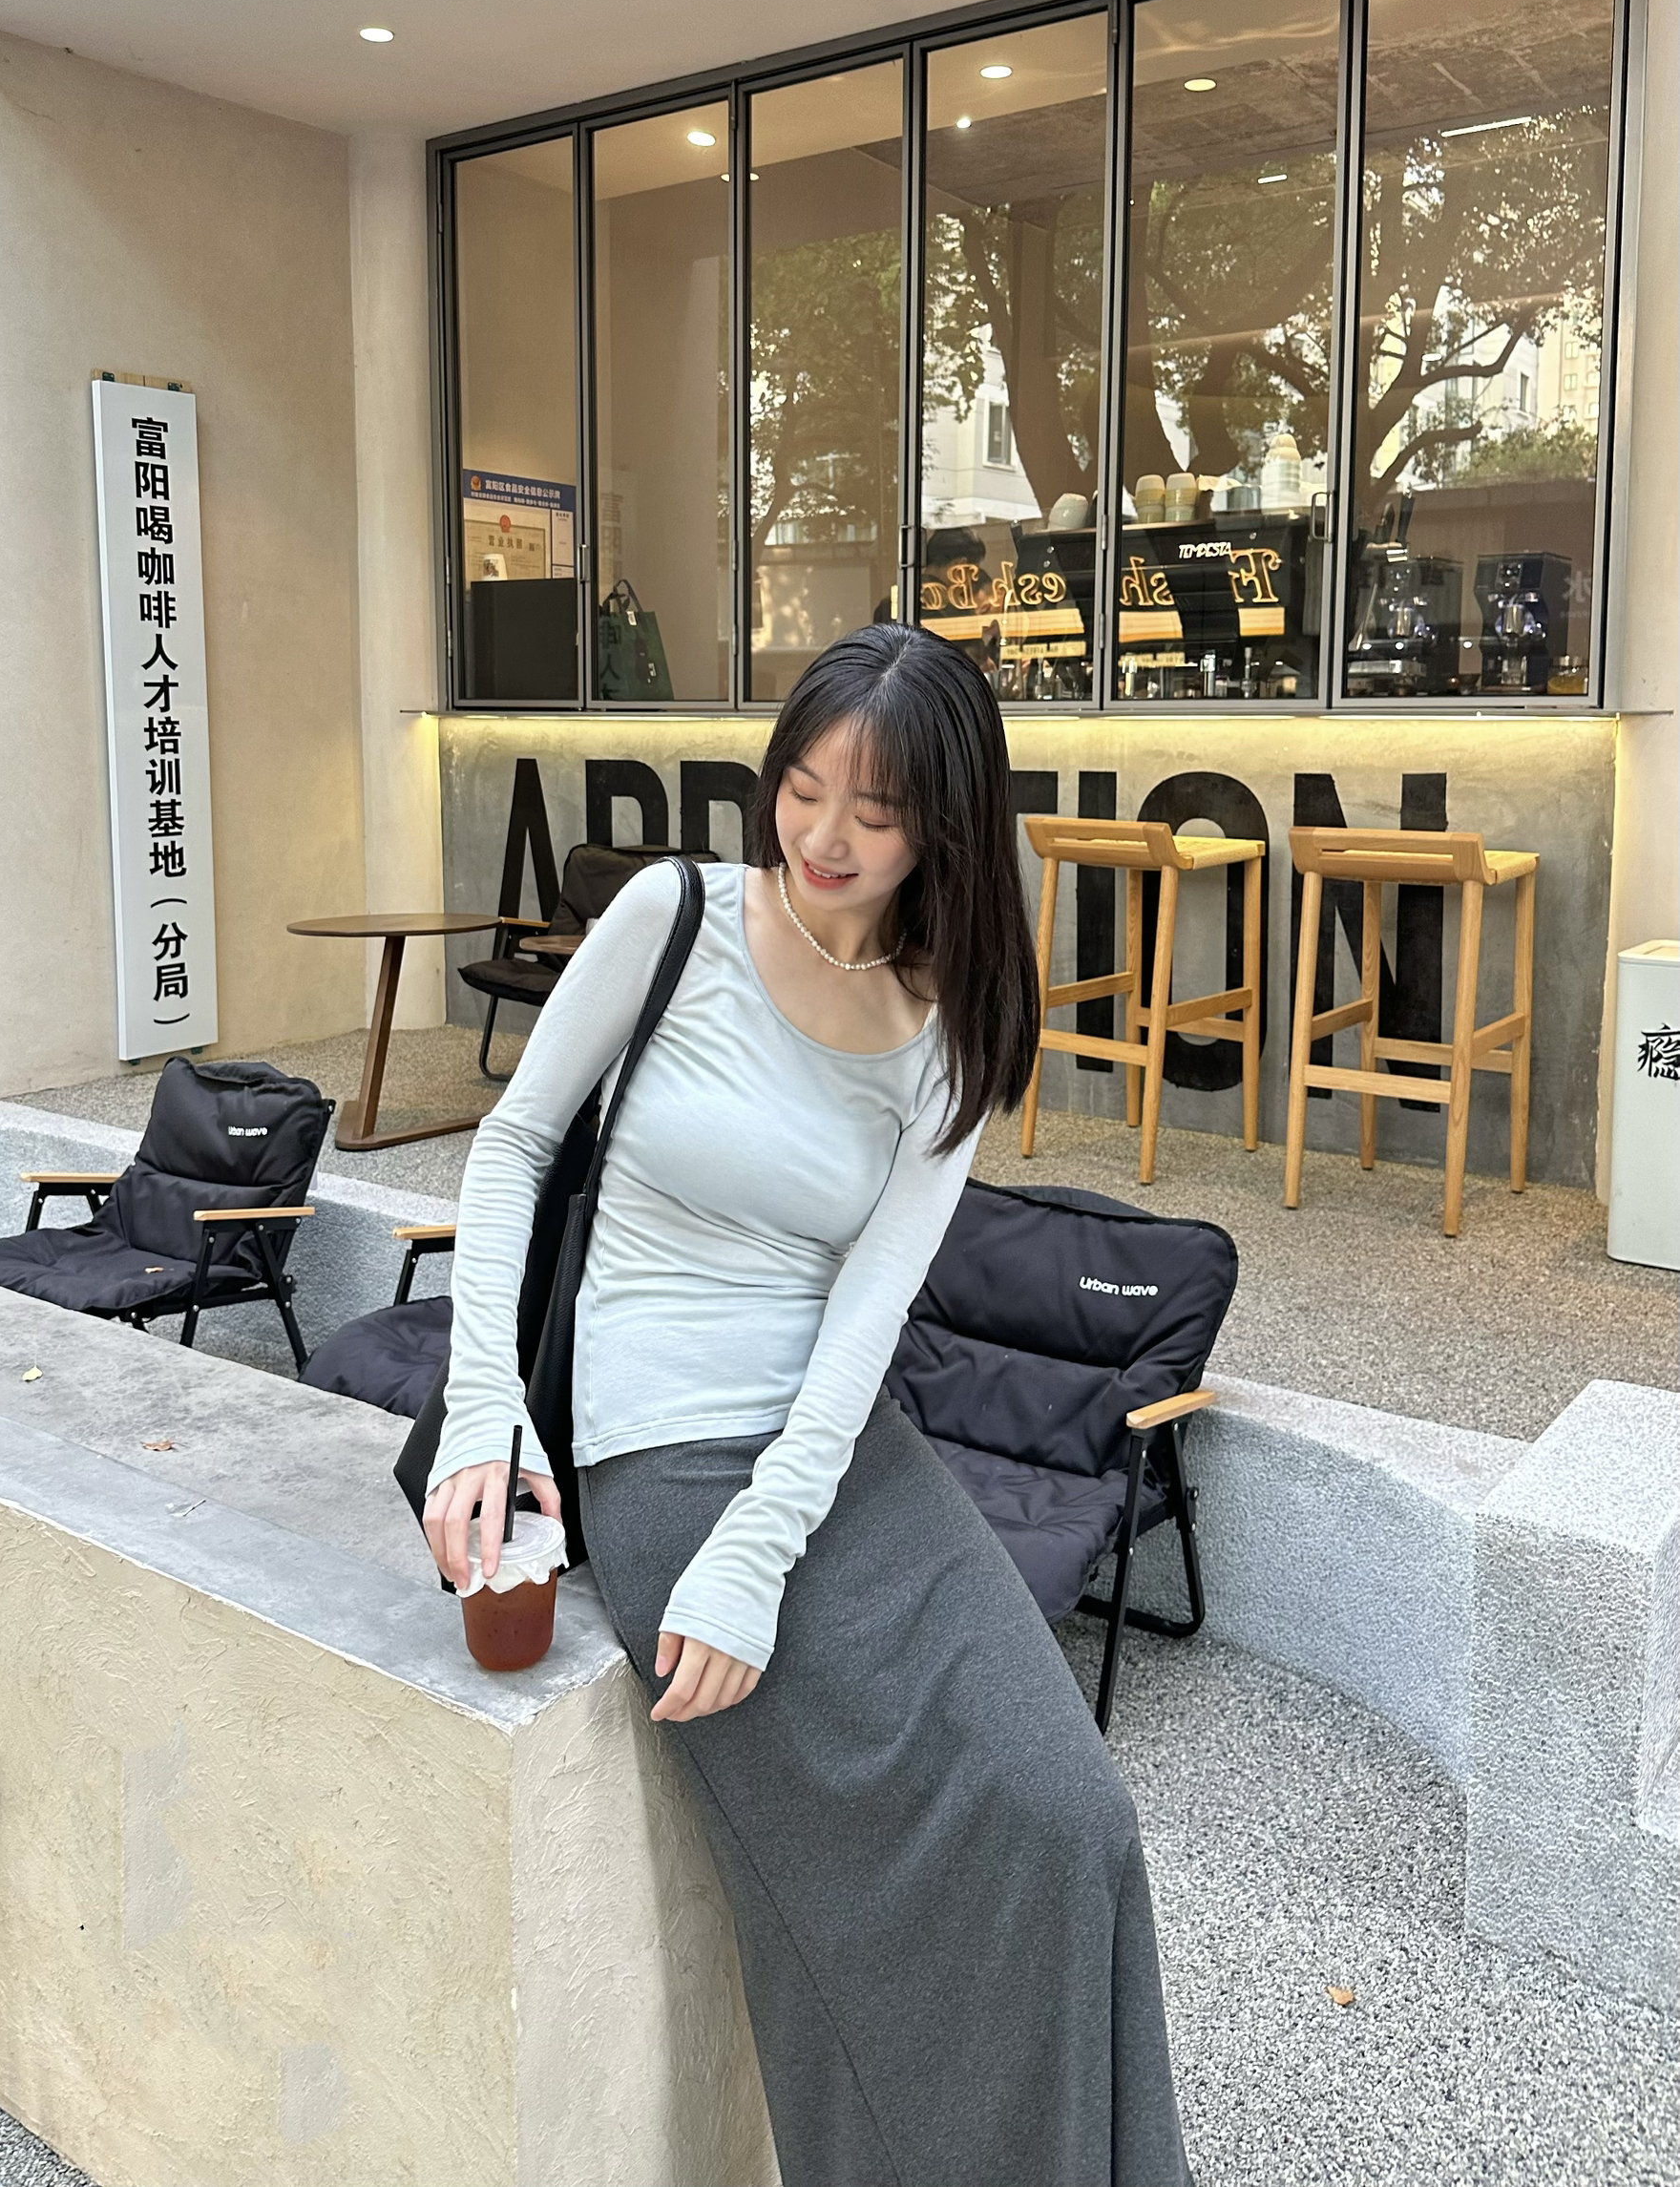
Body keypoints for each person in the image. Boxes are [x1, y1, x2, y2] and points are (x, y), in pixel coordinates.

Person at [422, 622, 1191, 2187]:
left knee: (1073, 1815)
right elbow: (513, 1144)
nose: (825, 836)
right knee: (847, 1897)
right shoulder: (675, 915)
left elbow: (866, 1309)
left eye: (877, 810)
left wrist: (767, 1545)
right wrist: (482, 1406)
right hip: (656, 1452)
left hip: (835, 1459)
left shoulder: (951, 1023)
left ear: (944, 827)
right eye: (803, 788)